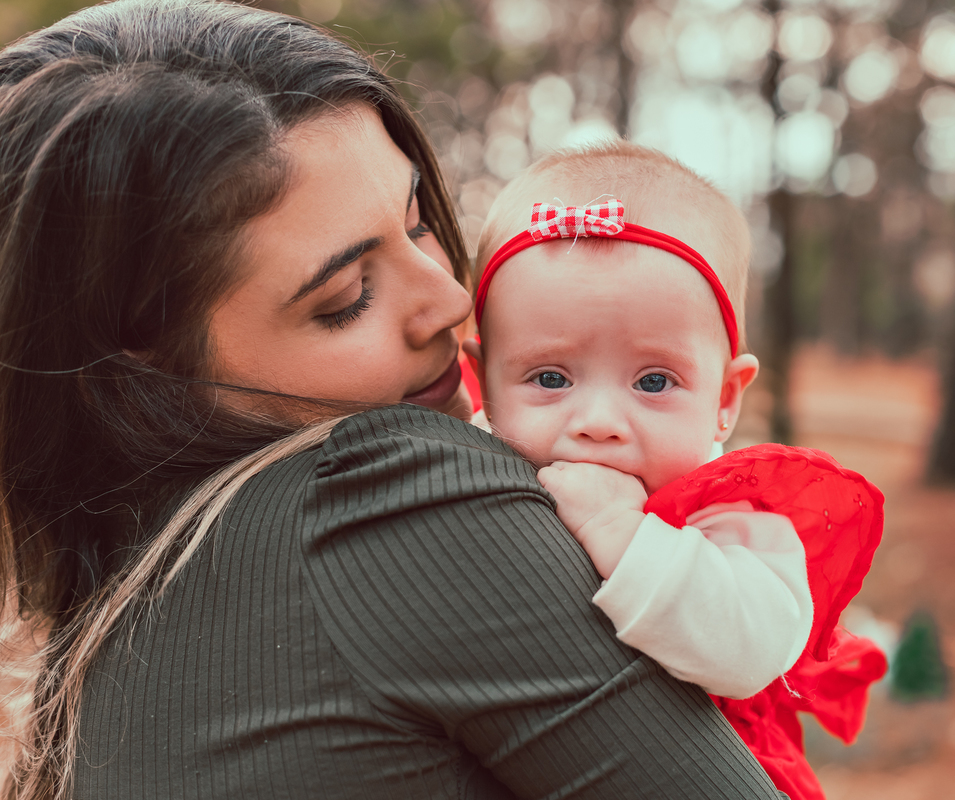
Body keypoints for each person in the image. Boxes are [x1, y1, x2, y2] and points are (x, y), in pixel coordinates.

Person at [0, 2, 789, 798]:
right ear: (149, 371)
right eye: (346, 297)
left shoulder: (127, 582)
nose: (450, 300)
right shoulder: (391, 493)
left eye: (416, 225)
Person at [464, 143, 888, 800]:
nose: (599, 420)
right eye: (550, 378)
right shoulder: (471, 463)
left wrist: (620, 529)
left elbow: (751, 648)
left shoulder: (728, 516)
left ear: (724, 399)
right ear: (485, 378)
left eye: (654, 381)